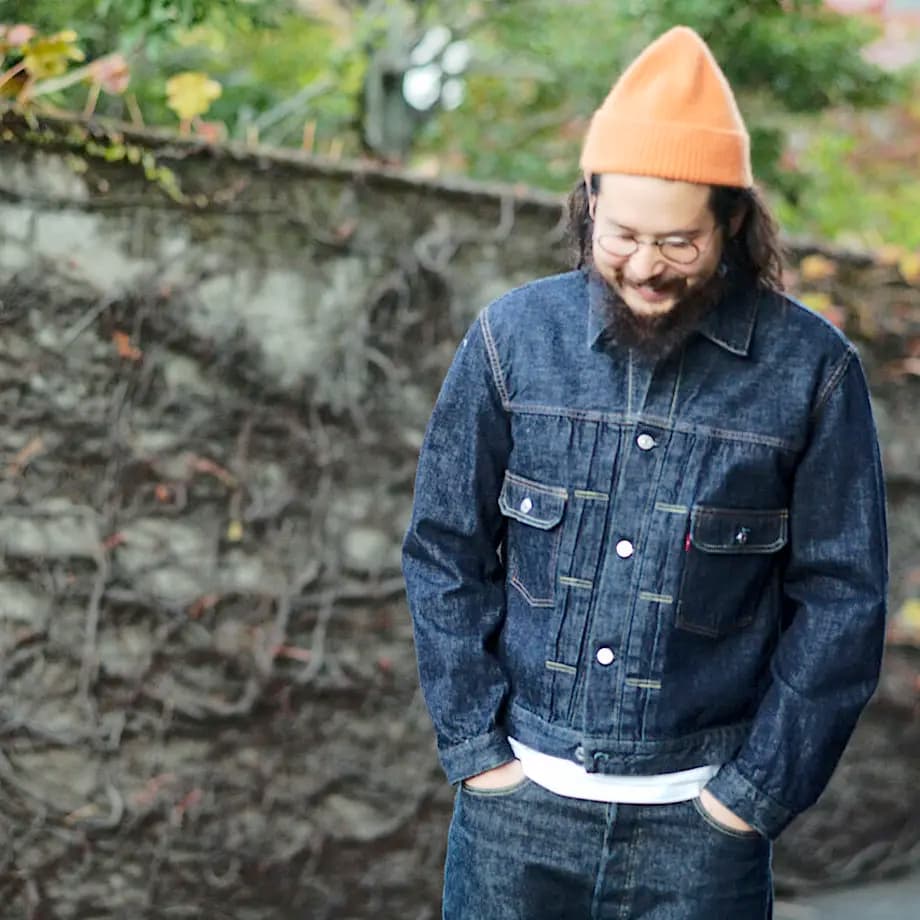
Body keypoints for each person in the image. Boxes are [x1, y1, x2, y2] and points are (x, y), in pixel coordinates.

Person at [402, 25, 888, 920]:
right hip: (514, 820)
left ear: (732, 224)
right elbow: (443, 549)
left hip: (701, 839)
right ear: (589, 203)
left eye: (678, 243)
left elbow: (842, 601)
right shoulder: (511, 340)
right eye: (622, 234)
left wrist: (750, 799)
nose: (645, 267)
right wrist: (478, 754)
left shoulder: (813, 371)